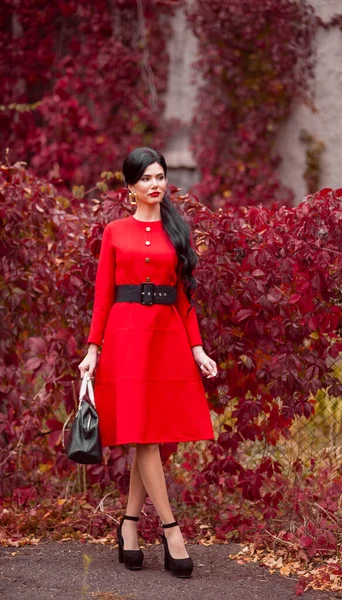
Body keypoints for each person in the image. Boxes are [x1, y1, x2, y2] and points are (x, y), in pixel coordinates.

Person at [78, 147, 217, 579]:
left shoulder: (177, 230)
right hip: (125, 337)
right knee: (144, 436)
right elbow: (103, 295)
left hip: (166, 338)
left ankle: (130, 526)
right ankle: (172, 531)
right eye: (146, 179)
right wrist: (92, 348)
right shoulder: (114, 231)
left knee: (149, 434)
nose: (156, 184)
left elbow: (183, 297)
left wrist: (197, 349)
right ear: (130, 186)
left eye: (160, 177)